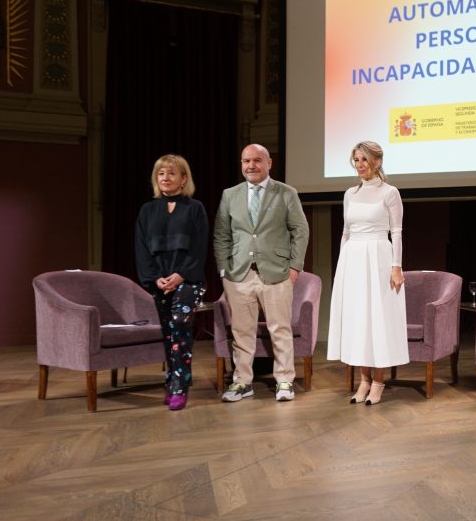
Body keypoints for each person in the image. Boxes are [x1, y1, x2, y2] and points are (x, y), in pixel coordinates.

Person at [213, 143, 310, 402]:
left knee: (280, 329)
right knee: (242, 332)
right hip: (239, 274)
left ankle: (285, 380)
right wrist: (224, 269)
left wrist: (294, 267)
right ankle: (242, 382)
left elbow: (300, 230)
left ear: (269, 163)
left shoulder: (286, 193)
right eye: (246, 161)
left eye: (257, 160)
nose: (251, 166)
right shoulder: (229, 194)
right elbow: (221, 234)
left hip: (276, 272)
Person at [328, 141, 409, 405]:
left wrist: (396, 267)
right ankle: (363, 380)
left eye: (364, 159)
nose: (360, 165)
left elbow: (396, 232)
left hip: (378, 258)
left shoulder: (389, 192)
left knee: (378, 320)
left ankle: (378, 382)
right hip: (353, 259)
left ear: (376, 161)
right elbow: (346, 232)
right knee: (358, 320)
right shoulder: (350, 193)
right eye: (356, 160)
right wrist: (342, 266)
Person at [134, 154, 208, 411]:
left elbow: (199, 248)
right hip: (159, 281)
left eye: (172, 173)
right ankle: (171, 380)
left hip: (188, 280)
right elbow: (141, 249)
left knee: (179, 326)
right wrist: (156, 278)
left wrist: (180, 276)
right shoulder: (147, 210)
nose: (165, 178)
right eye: (161, 173)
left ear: (183, 178)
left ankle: (180, 386)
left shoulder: (194, 208)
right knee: (167, 333)